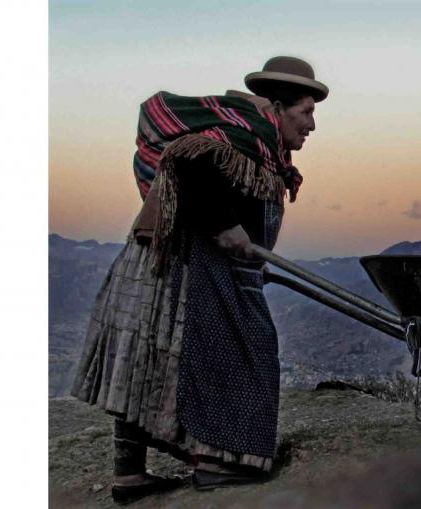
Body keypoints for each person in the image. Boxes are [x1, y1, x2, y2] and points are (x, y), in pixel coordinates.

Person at [69, 56, 328, 504]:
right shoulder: (245, 132)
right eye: (305, 112)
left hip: (164, 260)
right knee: (245, 349)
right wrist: (224, 224)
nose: (311, 125)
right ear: (277, 107)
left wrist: (246, 252)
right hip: (180, 264)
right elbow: (187, 164)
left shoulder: (260, 143)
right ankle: (218, 463)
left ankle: (130, 476)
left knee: (146, 357)